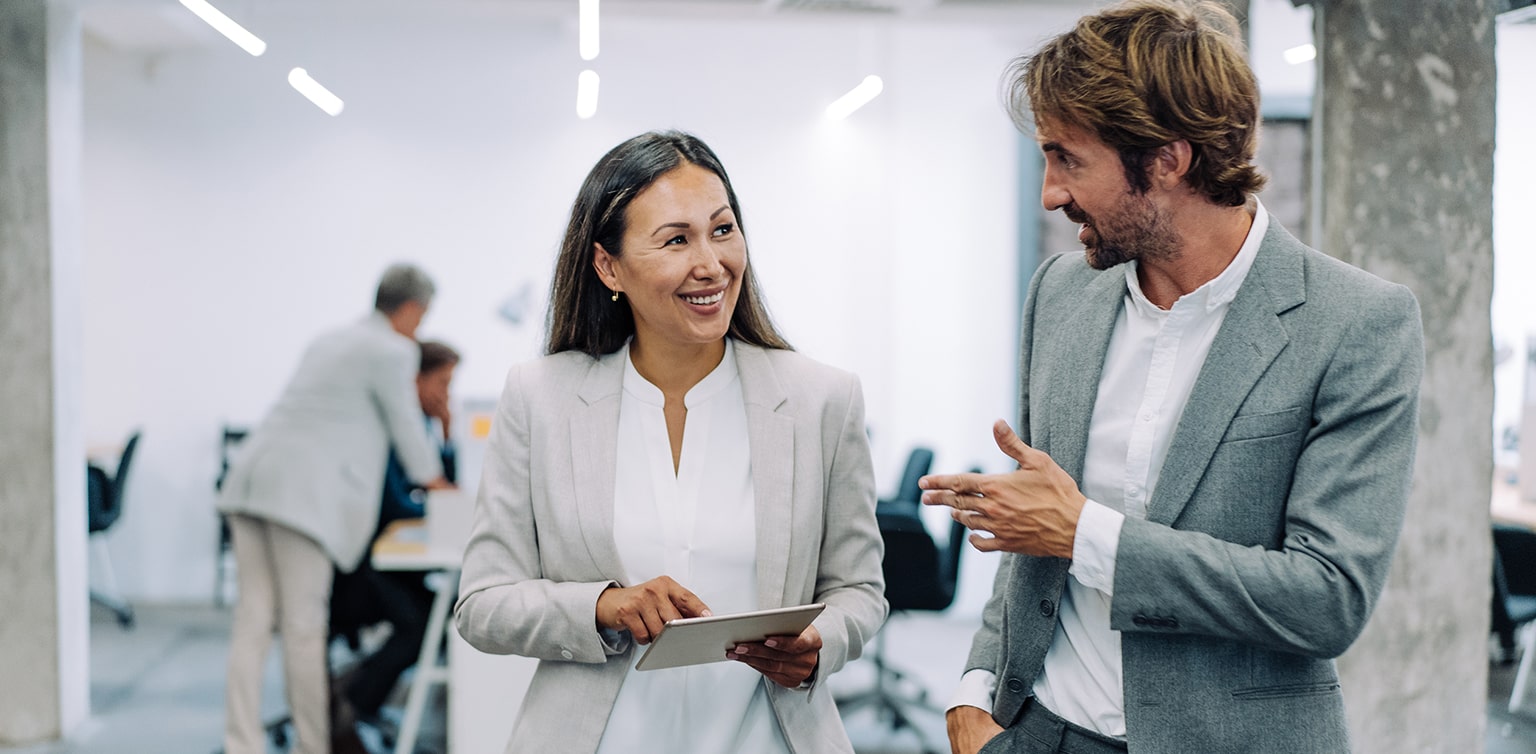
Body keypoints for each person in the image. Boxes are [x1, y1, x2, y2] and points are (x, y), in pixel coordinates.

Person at [921, 2, 1425, 753]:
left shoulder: (1356, 324)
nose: (1049, 194)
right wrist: (972, 694)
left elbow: (1328, 599)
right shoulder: (1059, 293)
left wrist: (1087, 534)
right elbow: (1032, 523)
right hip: (1039, 732)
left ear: (1166, 159)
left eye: (1069, 159)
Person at [454, 130, 887, 753]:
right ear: (609, 266)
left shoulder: (822, 399)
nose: (710, 263)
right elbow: (483, 604)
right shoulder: (540, 397)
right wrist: (604, 607)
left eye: (722, 229)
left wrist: (821, 646)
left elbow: (858, 590)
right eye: (676, 240)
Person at [218, 264, 453, 754]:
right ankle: (313, 745)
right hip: (302, 497)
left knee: (253, 622)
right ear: (411, 309)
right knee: (304, 627)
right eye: (422, 315)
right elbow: (407, 426)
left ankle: (242, 743)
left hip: (251, 478)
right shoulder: (393, 349)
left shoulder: (330, 339)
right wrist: (439, 485)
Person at [330, 340, 461, 729]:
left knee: (444, 611)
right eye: (442, 382)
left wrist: (447, 435)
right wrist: (441, 504)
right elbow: (396, 505)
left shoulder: (420, 427)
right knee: (422, 622)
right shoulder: (389, 431)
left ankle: (358, 692)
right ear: (415, 381)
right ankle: (355, 703)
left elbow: (439, 484)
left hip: (384, 564)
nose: (446, 394)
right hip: (359, 568)